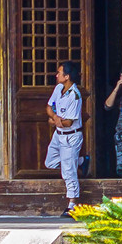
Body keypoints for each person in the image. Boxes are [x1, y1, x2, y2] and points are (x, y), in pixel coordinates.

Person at [46, 59, 85, 216]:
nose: (56, 75)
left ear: (67, 76)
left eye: (59, 73)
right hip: (58, 134)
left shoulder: (75, 96)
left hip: (71, 136)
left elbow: (69, 122)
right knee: (50, 162)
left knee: (68, 172)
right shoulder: (58, 88)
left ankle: (72, 204)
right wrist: (56, 118)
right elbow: (49, 107)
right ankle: (81, 161)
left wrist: (53, 121)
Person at [104, 71, 122, 177]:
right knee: (121, 167)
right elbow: (107, 106)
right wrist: (118, 86)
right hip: (121, 133)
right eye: (121, 75)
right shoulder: (120, 90)